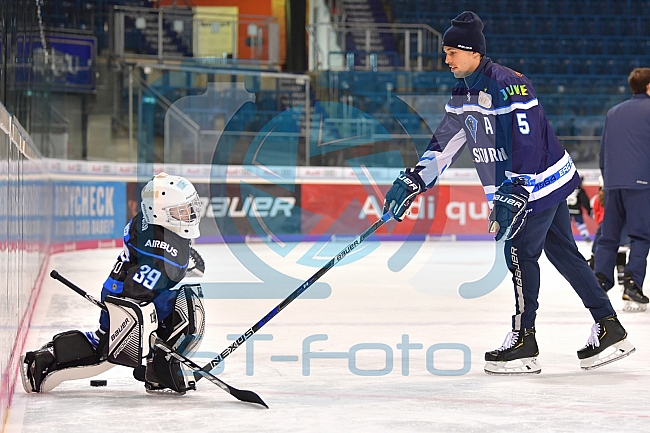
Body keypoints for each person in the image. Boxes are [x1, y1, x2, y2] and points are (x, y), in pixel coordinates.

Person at [383, 11, 635, 375]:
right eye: (446, 52)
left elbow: (526, 140)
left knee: (518, 254)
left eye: (452, 51)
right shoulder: (462, 92)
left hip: (536, 183)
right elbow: (445, 144)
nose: (446, 59)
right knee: (563, 253)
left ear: (472, 52)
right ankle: (609, 326)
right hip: (532, 186)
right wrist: (414, 180)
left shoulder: (509, 84)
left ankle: (524, 340)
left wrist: (516, 188)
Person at [21, 173, 205, 394]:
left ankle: (158, 371)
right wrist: (139, 329)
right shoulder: (157, 250)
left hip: (126, 290)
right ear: (160, 214)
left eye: (188, 209)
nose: (189, 215)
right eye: (181, 211)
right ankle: (41, 363)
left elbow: (157, 262)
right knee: (106, 348)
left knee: (105, 342)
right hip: (123, 297)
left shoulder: (153, 227)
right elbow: (137, 290)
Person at [594, 67, 650, 313]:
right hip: (641, 183)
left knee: (609, 236)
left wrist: (609, 180)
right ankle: (632, 284)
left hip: (614, 182)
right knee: (640, 236)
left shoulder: (613, 112)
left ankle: (599, 281)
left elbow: (603, 151)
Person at [567, 176, 592, 242]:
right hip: (577, 210)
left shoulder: (568, 188)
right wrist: (589, 210)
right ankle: (585, 235)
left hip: (567, 210)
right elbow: (585, 201)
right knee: (580, 224)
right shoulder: (580, 190)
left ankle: (564, 237)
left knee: (566, 224)